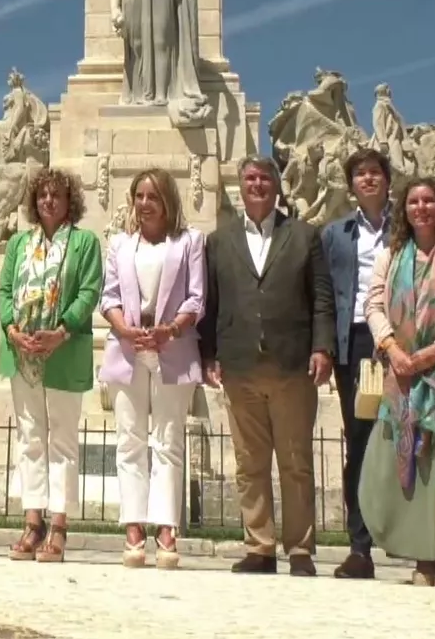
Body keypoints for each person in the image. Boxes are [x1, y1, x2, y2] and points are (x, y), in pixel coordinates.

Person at [201, 157, 334, 576]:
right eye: (249, 178)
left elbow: (321, 298)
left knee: (296, 461)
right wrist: (208, 354)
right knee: (249, 462)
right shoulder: (219, 241)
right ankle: (259, 545)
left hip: (292, 363)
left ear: (277, 186)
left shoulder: (304, 235)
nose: (256, 185)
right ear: (240, 187)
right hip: (240, 365)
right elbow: (212, 303)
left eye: (264, 178)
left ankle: (299, 549)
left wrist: (322, 348)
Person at [357, 177, 435, 588]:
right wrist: (391, 347)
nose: (421, 207)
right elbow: (373, 301)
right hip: (400, 374)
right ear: (404, 209)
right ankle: (422, 555)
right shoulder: (392, 254)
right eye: (413, 201)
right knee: (408, 465)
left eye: (429, 200)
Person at [99, 168, 204, 570]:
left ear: (167, 201)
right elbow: (109, 296)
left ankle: (166, 527)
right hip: (127, 349)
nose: (145, 204)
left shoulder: (190, 242)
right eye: (139, 196)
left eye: (153, 196)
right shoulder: (120, 244)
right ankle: (133, 527)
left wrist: (170, 330)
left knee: (168, 441)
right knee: (129, 442)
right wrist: (125, 329)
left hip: (172, 347)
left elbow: (197, 298)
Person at [0, 167, 101, 563]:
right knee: (30, 440)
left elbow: (89, 290)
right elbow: (5, 289)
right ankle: (32, 521)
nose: (48, 201)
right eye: (42, 194)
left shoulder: (84, 242)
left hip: (63, 350)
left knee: (62, 441)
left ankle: (58, 526)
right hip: (22, 352)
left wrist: (63, 329)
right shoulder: (19, 243)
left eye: (56, 194)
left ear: (69, 199)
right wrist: (10, 328)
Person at [320, 147, 394, 579]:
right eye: (360, 174)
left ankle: (417, 540)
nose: (368, 180)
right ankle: (360, 545)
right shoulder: (336, 233)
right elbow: (327, 295)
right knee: (361, 442)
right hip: (358, 340)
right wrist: (328, 348)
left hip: (403, 340)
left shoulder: (406, 226)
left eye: (375, 173)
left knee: (411, 437)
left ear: (387, 180)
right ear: (351, 184)